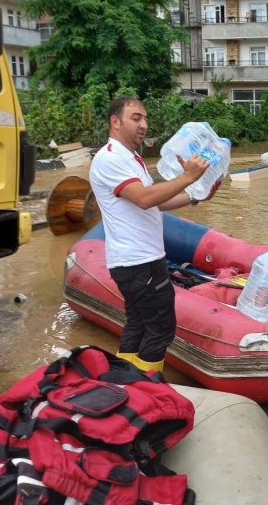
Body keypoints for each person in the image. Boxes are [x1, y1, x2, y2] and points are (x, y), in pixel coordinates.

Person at [89, 96, 220, 375]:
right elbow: (145, 198)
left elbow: (157, 202)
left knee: (138, 323)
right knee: (161, 328)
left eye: (145, 119)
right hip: (138, 262)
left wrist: (195, 196)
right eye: (136, 118)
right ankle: (147, 390)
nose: (144, 125)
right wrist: (187, 177)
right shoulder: (110, 158)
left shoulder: (130, 158)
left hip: (138, 261)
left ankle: (125, 384)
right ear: (115, 121)